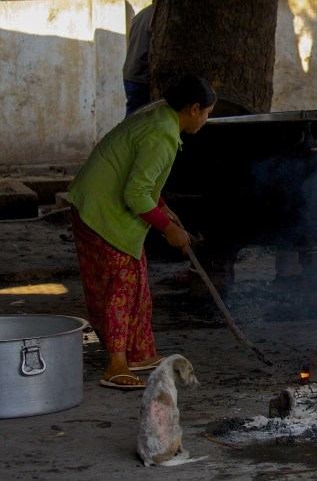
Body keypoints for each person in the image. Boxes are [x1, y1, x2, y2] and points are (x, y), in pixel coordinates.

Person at [68, 75, 217, 390]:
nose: (207, 118)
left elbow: (142, 178)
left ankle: (138, 354)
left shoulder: (162, 120)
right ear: (193, 109)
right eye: (207, 112)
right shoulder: (161, 135)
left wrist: (163, 208)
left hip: (108, 207)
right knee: (119, 288)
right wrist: (167, 229)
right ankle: (116, 365)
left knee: (137, 284)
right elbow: (135, 194)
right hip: (100, 212)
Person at [123, 4, 154, 116]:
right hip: (142, 75)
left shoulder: (142, 14)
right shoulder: (157, 17)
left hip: (131, 72)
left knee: (134, 116)